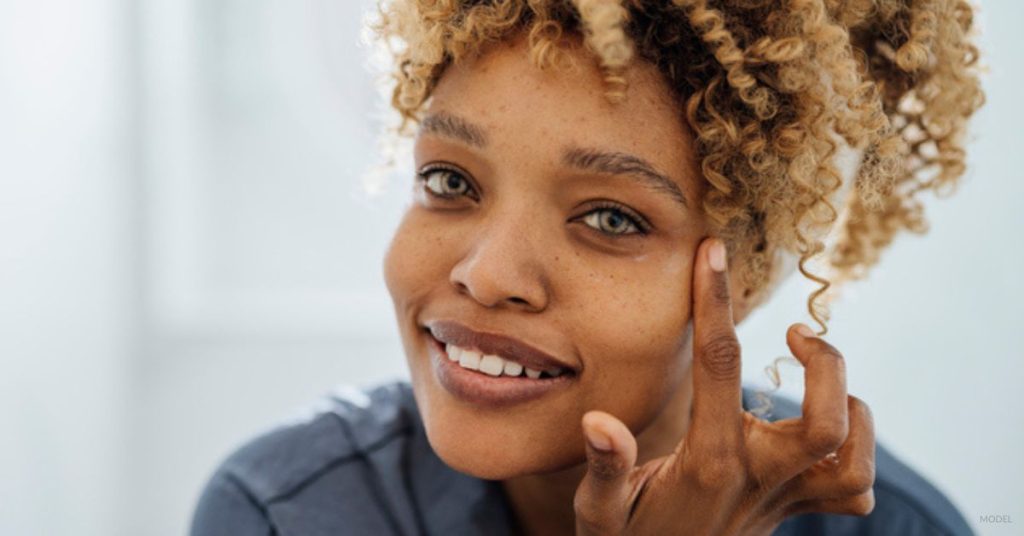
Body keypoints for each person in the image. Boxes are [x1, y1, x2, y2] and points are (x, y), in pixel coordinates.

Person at [190, 0, 984, 534]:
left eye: (610, 218)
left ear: (745, 275)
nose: (489, 273)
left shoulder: (899, 527)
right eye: (449, 181)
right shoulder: (289, 511)